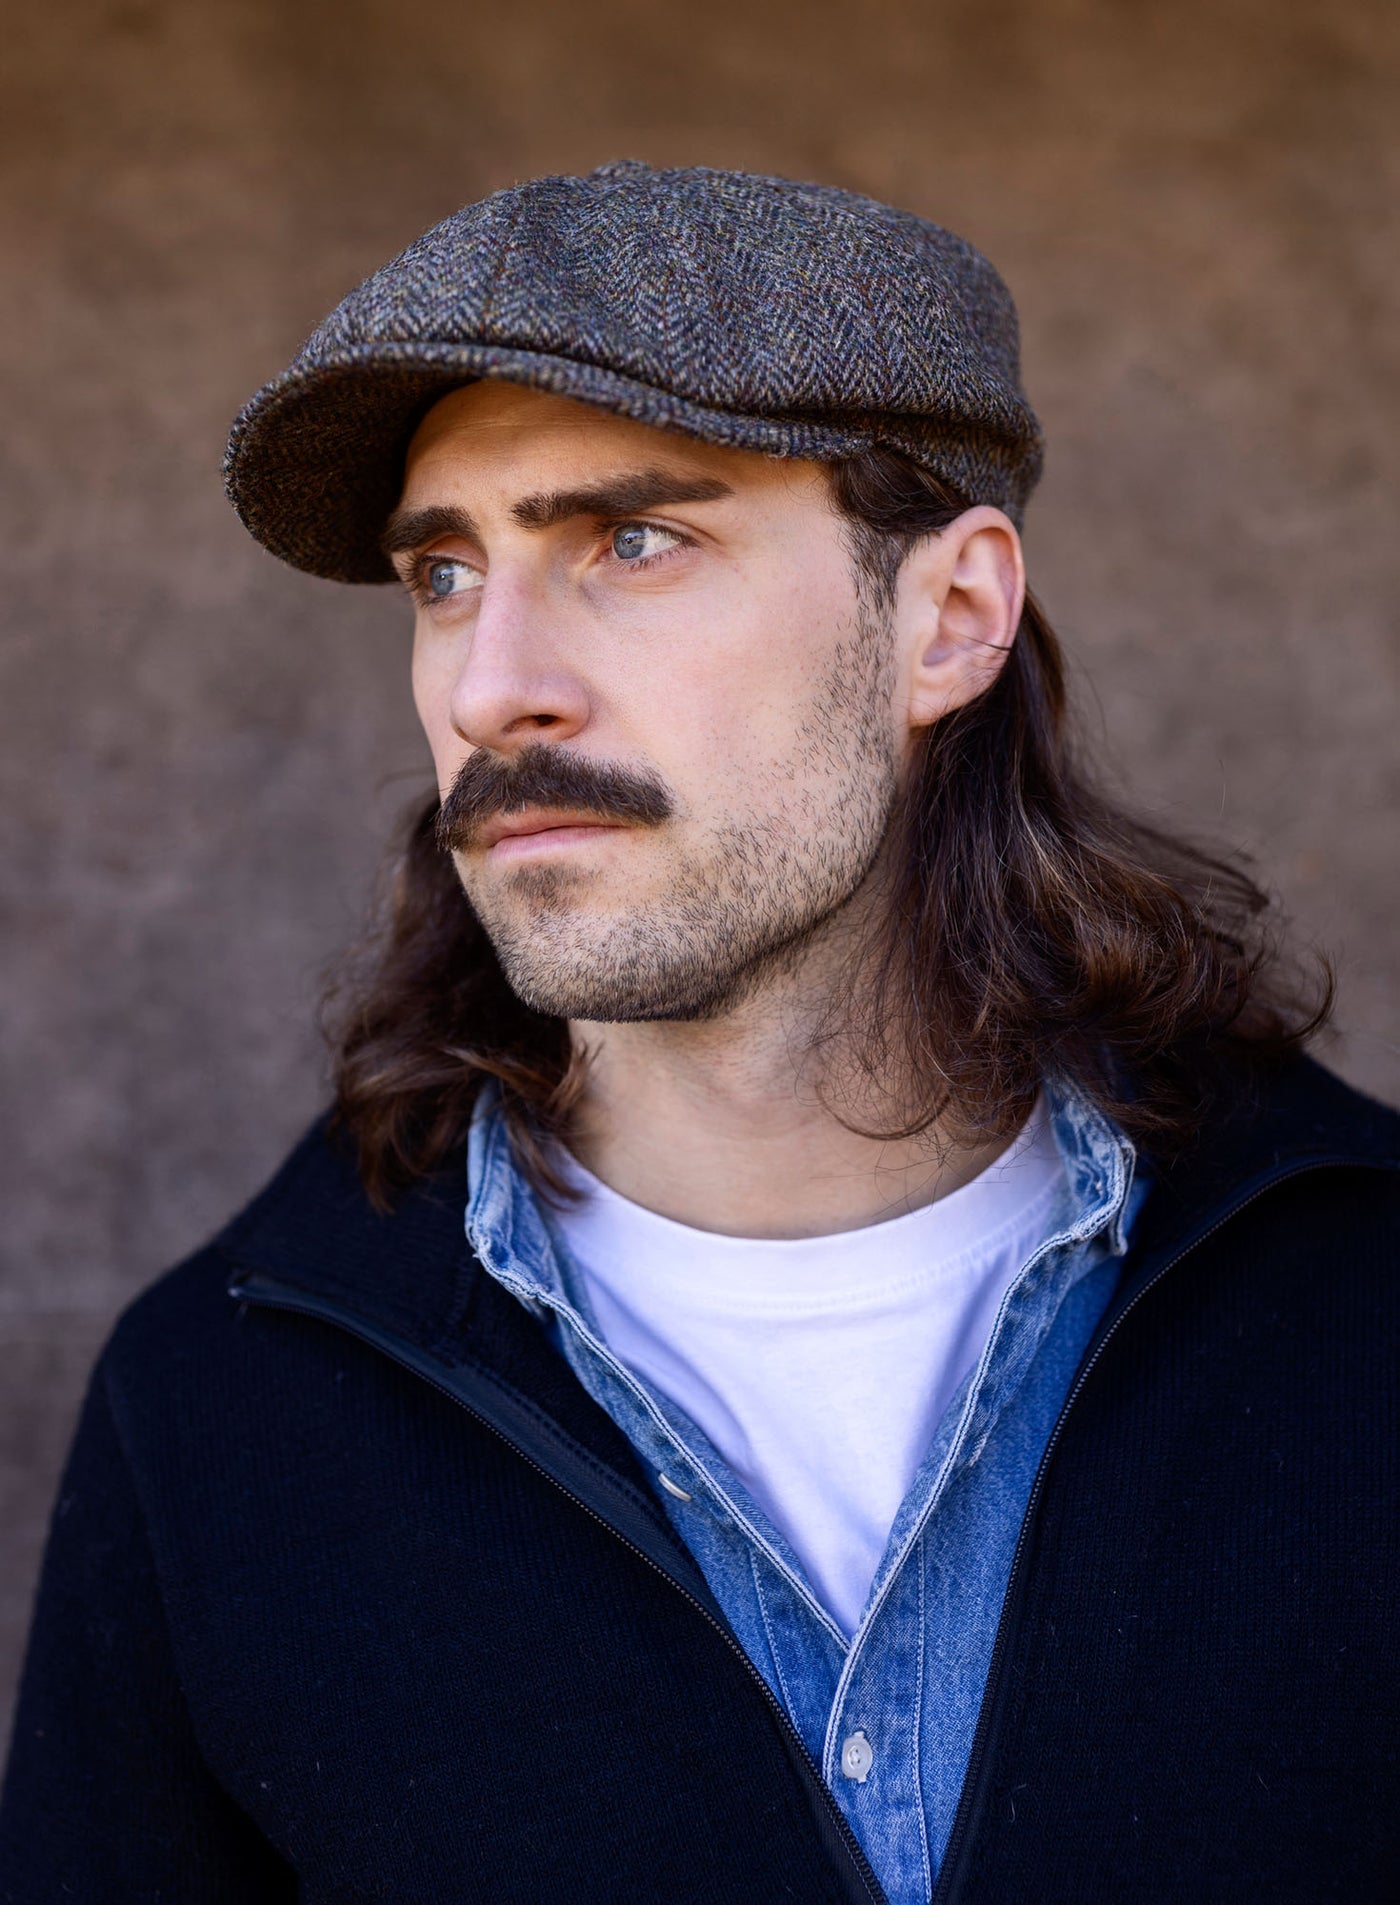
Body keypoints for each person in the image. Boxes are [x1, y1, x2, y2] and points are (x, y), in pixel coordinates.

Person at [1, 161, 1395, 1904]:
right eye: (443, 572)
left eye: (633, 541)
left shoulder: (1363, 1313)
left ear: (950, 615)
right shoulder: (224, 1407)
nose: (493, 681)